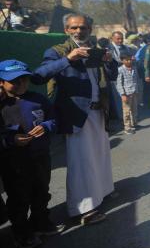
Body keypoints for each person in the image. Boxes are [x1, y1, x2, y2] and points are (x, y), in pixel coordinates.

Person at [33, 13, 117, 225]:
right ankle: (83, 209)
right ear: (66, 31)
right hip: (77, 115)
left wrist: (109, 61)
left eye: (83, 28)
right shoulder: (57, 51)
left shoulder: (95, 49)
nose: (79, 31)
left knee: (100, 156)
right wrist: (68, 59)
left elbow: (112, 75)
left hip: (99, 111)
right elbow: (39, 75)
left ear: (90, 29)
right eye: (74, 28)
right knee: (81, 162)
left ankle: (102, 193)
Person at [0, 60, 63, 248]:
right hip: (13, 161)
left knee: (41, 190)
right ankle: (22, 234)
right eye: (14, 81)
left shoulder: (38, 99)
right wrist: (11, 140)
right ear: (1, 82)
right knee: (19, 197)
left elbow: (53, 120)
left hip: (40, 155)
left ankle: (40, 222)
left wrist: (45, 127)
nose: (21, 85)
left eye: (24, 80)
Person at [116, 51, 138, 135]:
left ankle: (133, 124)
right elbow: (119, 83)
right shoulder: (120, 70)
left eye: (130, 60)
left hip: (134, 92)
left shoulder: (134, 68)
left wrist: (138, 90)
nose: (129, 61)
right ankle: (127, 127)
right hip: (126, 93)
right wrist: (122, 94)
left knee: (134, 109)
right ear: (122, 61)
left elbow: (136, 79)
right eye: (127, 60)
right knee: (126, 111)